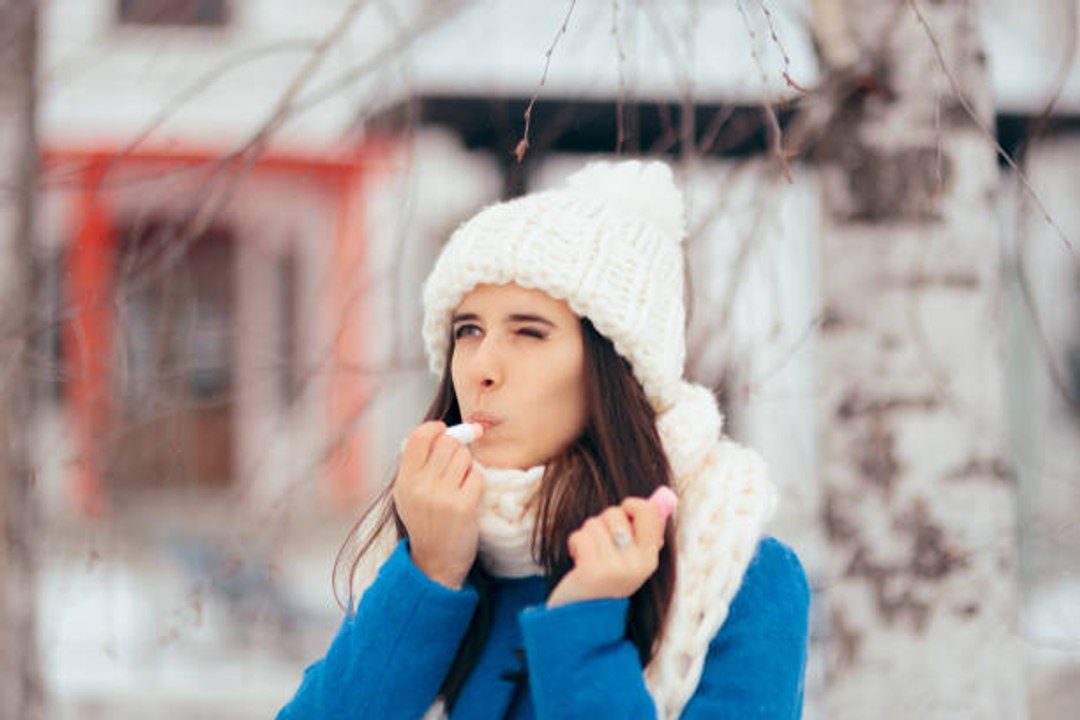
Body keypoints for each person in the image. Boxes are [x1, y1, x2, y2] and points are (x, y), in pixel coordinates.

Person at [277, 159, 809, 719]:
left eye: (529, 332)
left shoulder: (743, 578)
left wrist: (584, 626)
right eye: (468, 330)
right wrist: (429, 574)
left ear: (614, 368)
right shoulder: (449, 551)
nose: (481, 368)